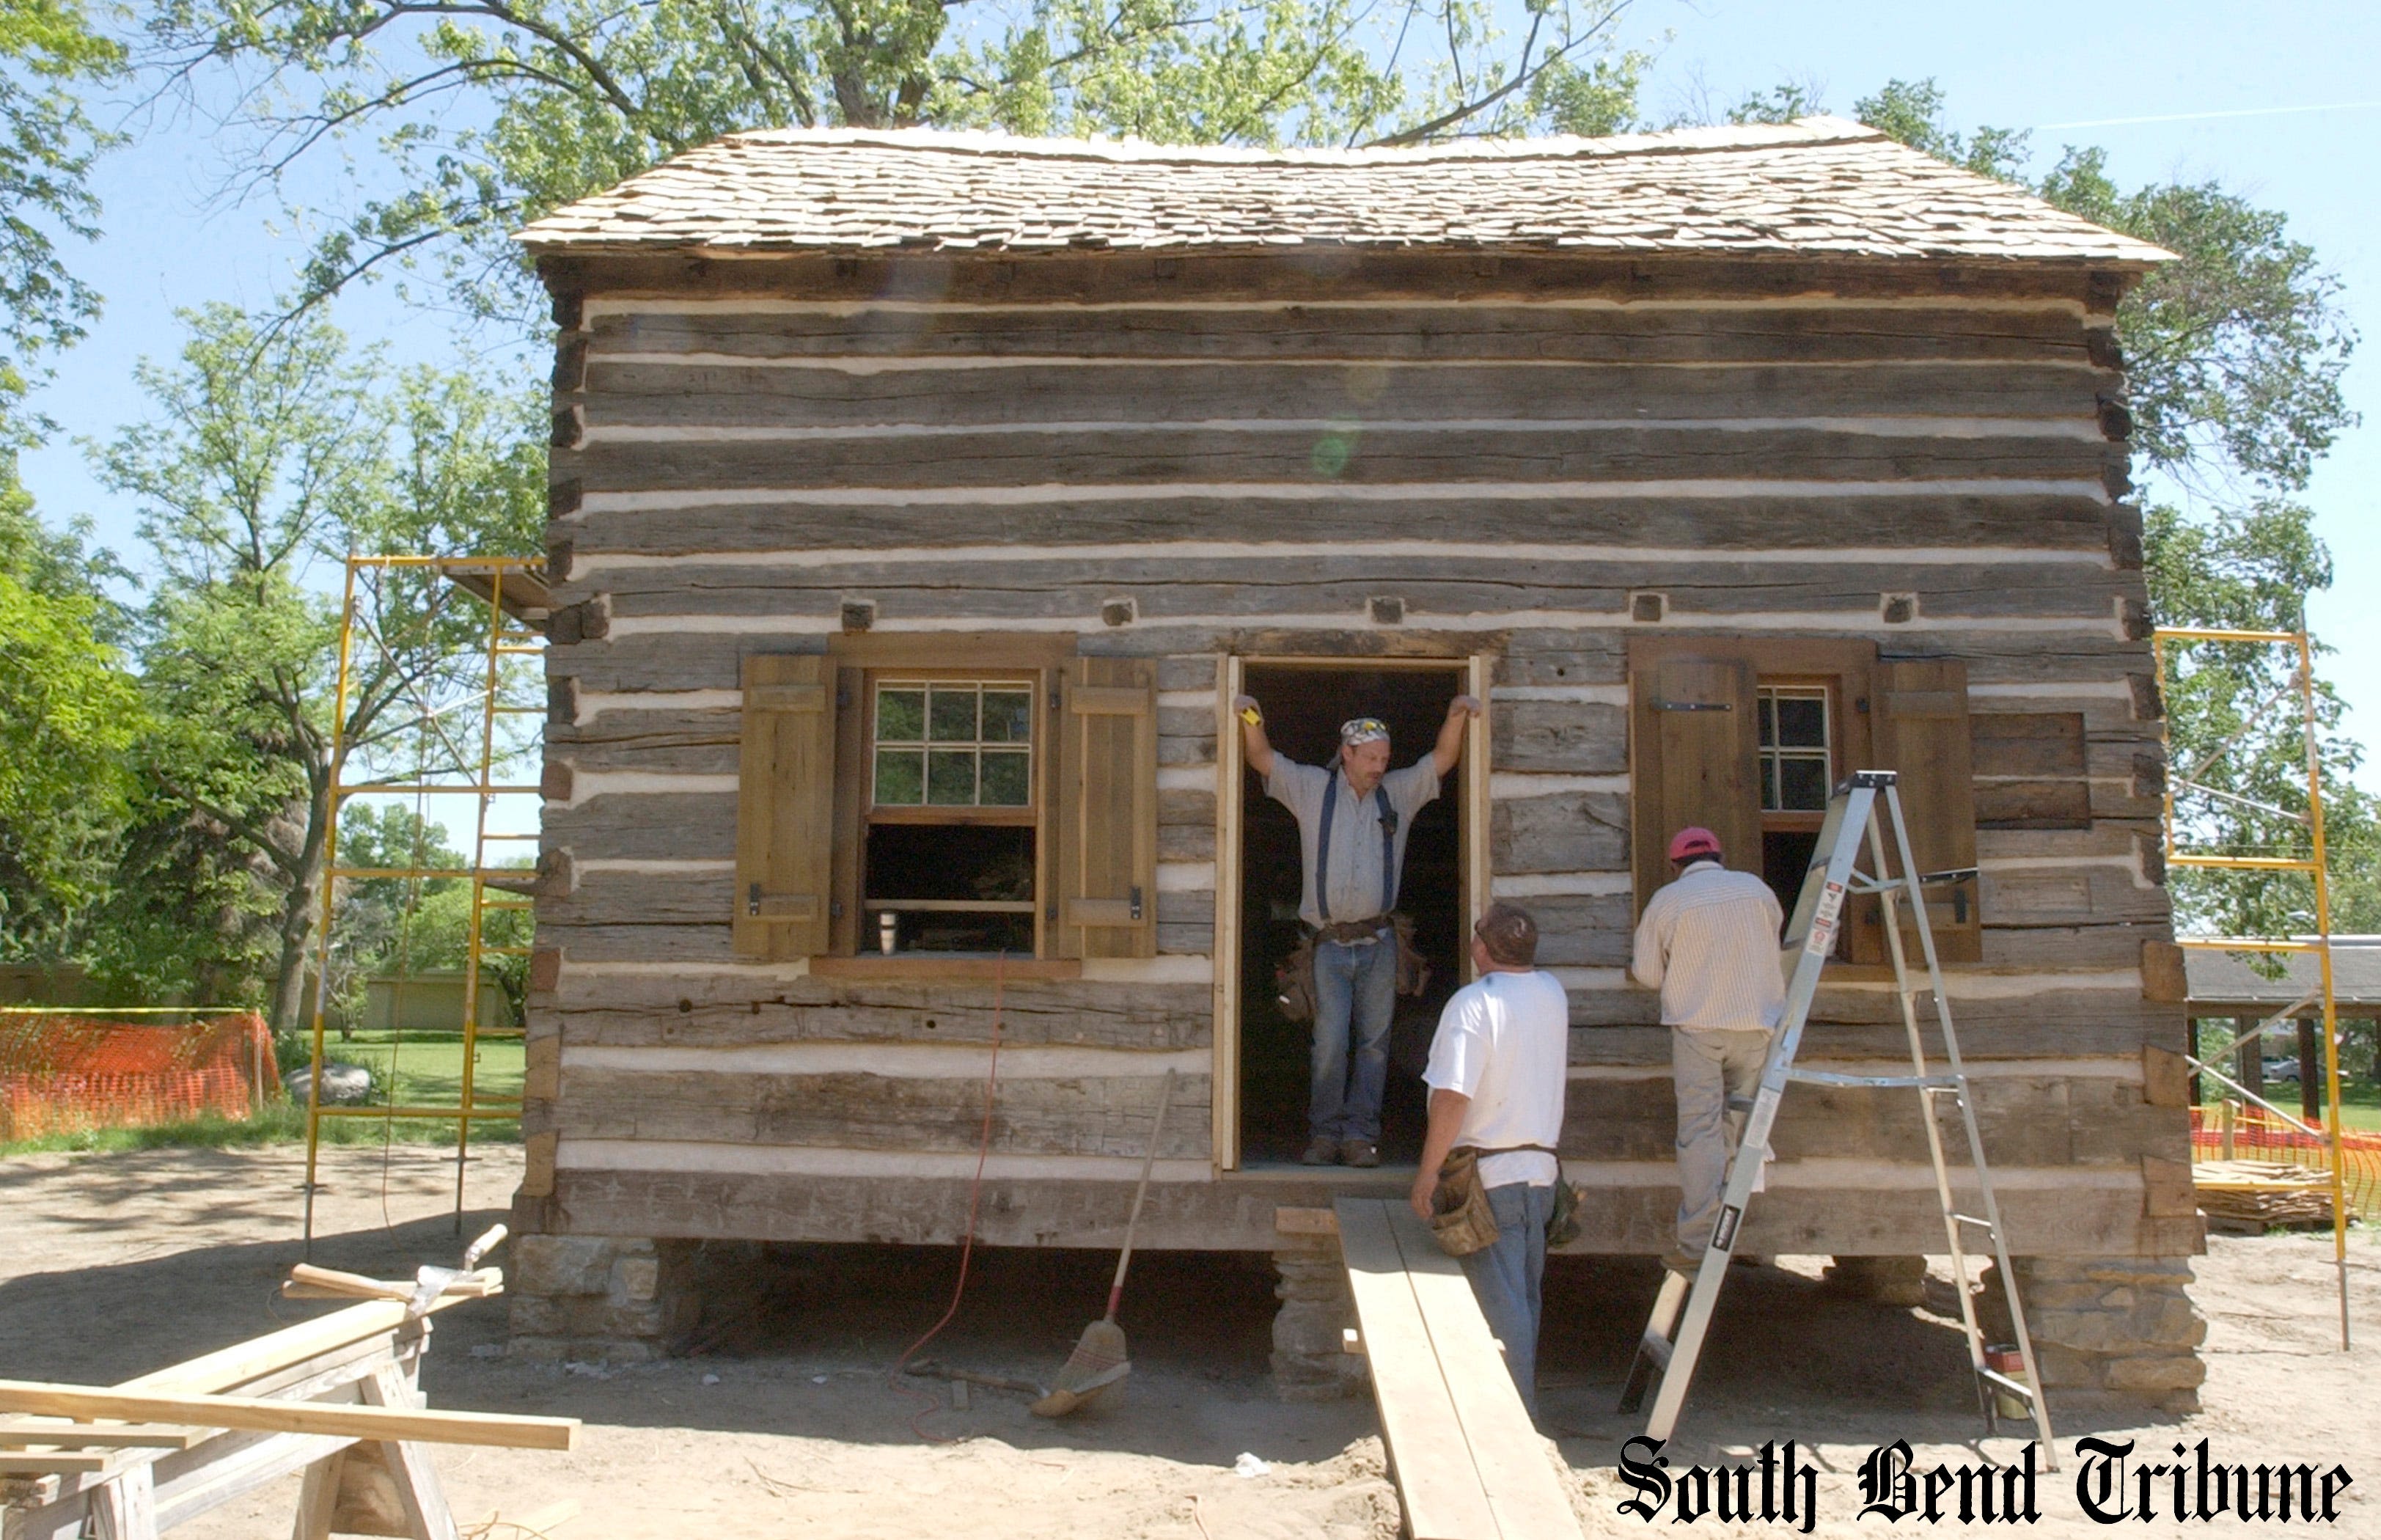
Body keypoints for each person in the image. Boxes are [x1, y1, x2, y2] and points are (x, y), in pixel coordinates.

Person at [1235, 691, 1481, 1166]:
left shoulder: (1398, 792)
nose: (1378, 766)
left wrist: (1454, 717)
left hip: (1380, 943)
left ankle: (1360, 1139)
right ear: (1345, 753)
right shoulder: (1310, 788)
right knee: (1328, 1046)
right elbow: (1260, 757)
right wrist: (1248, 714)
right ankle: (1325, 1137)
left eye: (1384, 758)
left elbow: (1443, 759)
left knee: (1373, 1046)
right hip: (1326, 946)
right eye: (1370, 758)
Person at [1407, 902, 1569, 1419]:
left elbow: (1452, 1098)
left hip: (1492, 1175)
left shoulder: (1472, 1005)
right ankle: (1520, 1410)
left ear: (1481, 948)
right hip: (1540, 1173)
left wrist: (1428, 1174)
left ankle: (1511, 1424)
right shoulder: (1551, 994)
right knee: (1523, 1301)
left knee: (1502, 1312)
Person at [1630, 826, 1787, 1269]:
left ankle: (1700, 1244)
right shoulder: (1756, 890)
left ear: (1675, 864)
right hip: (1756, 1026)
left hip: (1699, 1029)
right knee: (1740, 1125)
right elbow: (1772, 941)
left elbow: (1648, 976)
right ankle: (1731, 1227)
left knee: (1700, 1131)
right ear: (1719, 855)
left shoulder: (1668, 900)